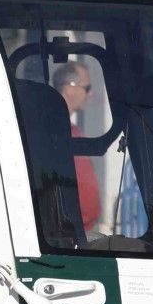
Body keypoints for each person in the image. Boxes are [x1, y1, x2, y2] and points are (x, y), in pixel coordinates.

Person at [51, 61, 102, 235]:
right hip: (68, 234)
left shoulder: (70, 129)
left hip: (81, 230)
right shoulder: (54, 130)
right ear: (69, 88)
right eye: (86, 88)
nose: (90, 94)